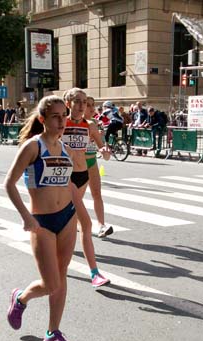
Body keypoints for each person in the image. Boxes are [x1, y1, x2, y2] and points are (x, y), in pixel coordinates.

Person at [4, 95, 78, 341]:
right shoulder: (33, 147)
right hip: (42, 222)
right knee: (51, 284)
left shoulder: (64, 146)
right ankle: (21, 298)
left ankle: (52, 333)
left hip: (68, 218)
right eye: (56, 116)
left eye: (64, 115)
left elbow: (68, 183)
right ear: (43, 119)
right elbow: (9, 183)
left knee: (63, 275)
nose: (61, 121)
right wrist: (26, 216)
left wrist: (80, 213)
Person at [63, 87, 111, 288]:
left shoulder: (90, 125)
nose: (82, 105)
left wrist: (105, 150)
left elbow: (102, 148)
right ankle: (93, 272)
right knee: (80, 222)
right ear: (68, 104)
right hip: (64, 178)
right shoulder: (60, 123)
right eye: (77, 101)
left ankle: (64, 264)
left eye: (84, 101)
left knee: (73, 221)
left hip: (81, 176)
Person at [84, 96, 113, 238]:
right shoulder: (70, 123)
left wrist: (105, 152)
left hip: (91, 162)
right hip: (76, 166)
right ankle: (75, 223)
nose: (92, 108)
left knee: (97, 194)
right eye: (88, 105)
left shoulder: (95, 123)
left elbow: (103, 151)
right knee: (75, 199)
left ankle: (101, 225)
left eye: (92, 105)